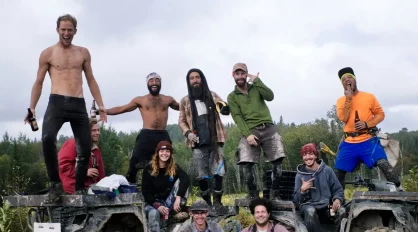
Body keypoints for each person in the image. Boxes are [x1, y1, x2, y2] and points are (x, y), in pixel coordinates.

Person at [25, 14, 108, 201]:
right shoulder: (48, 53)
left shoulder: (83, 53)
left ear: (75, 31)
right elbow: (38, 82)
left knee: (85, 148)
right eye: (63, 29)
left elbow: (91, 79)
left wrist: (101, 105)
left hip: (78, 103)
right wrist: (31, 108)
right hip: (57, 102)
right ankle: (55, 184)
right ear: (57, 30)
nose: (66, 33)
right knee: (47, 138)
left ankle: (79, 189)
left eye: (70, 30)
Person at [334, 67, 402, 190]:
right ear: (342, 84)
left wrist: (367, 124)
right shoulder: (340, 101)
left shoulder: (369, 97)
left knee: (384, 164)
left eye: (349, 77)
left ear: (354, 79)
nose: (347, 80)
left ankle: (399, 190)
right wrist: (349, 98)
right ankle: (337, 202)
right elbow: (343, 118)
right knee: (338, 172)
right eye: (343, 79)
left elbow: (380, 114)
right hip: (349, 142)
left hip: (367, 140)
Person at [105, 73, 179, 184]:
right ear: (147, 83)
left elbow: (184, 107)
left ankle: (166, 186)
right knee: (135, 162)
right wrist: (103, 111)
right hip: (146, 135)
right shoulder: (140, 100)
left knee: (166, 162)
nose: (154, 83)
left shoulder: (168, 99)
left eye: (157, 80)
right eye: (151, 81)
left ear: (160, 83)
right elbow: (122, 108)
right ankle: (130, 186)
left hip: (162, 134)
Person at [227, 63, 285, 200]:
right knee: (245, 162)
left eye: (242, 73)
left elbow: (270, 96)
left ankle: (274, 194)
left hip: (268, 127)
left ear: (246, 74)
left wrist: (257, 81)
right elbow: (237, 117)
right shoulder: (232, 96)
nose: (240, 76)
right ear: (233, 75)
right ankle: (253, 194)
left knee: (277, 159)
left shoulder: (256, 88)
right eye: (237, 74)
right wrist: (248, 135)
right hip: (250, 130)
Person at [179, 68, 230, 210]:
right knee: (202, 175)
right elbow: (181, 121)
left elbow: (222, 106)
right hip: (197, 143)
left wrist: (224, 107)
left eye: (197, 77)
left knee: (219, 172)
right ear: (189, 82)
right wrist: (188, 132)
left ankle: (218, 203)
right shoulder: (185, 101)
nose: (195, 80)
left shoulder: (212, 95)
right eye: (192, 78)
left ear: (202, 79)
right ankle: (207, 204)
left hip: (215, 141)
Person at [294, 143, 344, 232]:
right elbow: (296, 200)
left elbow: (338, 189)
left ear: (316, 155)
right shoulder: (299, 175)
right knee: (310, 211)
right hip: (308, 206)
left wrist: (337, 199)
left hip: (326, 206)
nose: (307, 157)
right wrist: (302, 189)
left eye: (310, 154)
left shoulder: (327, 171)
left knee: (341, 211)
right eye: (305, 155)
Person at [142, 141, 190, 232]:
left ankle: (176, 210)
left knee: (182, 181)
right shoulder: (148, 169)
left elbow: (186, 179)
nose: (164, 153)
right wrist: (157, 206)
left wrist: (178, 197)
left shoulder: (173, 167)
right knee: (153, 213)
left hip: (168, 201)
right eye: (162, 151)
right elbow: (146, 192)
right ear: (157, 153)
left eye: (167, 151)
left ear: (170, 153)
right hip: (153, 203)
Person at [58, 119, 105, 194]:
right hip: (72, 190)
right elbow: (62, 166)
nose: (97, 133)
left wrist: (103, 187)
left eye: (98, 130)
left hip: (90, 189)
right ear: (86, 131)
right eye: (93, 130)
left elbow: (101, 172)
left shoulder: (95, 149)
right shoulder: (73, 144)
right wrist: (83, 172)